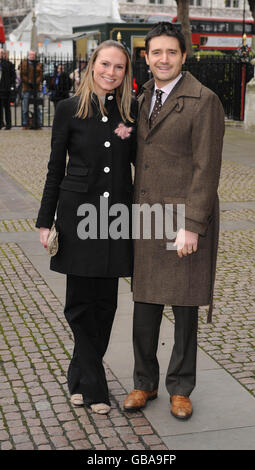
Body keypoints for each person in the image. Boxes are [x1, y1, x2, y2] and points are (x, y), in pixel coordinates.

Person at [124, 22, 225, 420]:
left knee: (184, 307)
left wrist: (193, 224)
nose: (162, 59)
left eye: (171, 52)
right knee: (144, 304)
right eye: (156, 53)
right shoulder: (144, 95)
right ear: (146, 57)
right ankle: (143, 381)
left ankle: (181, 387)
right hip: (147, 217)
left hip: (182, 219)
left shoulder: (204, 100)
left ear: (184, 56)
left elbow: (207, 167)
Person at [36, 40, 137, 414]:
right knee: (79, 304)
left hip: (114, 219)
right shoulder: (67, 110)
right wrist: (45, 221)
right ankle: (94, 388)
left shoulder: (130, 112)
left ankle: (79, 377)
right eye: (105, 64)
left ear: (126, 73)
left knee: (106, 304)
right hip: (77, 216)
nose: (110, 73)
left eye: (119, 67)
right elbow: (54, 169)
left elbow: (139, 165)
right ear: (92, 64)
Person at [20, 50, 43, 129]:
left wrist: (35, 82)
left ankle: (39, 123)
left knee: (37, 107)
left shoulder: (38, 64)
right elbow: (22, 75)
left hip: (36, 88)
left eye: (33, 55)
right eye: (31, 55)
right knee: (25, 107)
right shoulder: (24, 63)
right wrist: (29, 81)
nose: (32, 56)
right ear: (28, 55)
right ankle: (25, 124)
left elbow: (40, 75)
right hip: (26, 88)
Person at [0, 49, 16, 130]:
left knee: (7, 107)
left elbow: (13, 77)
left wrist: (11, 87)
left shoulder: (8, 64)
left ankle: (8, 124)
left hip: (6, 89)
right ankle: (1, 123)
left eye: (1, 53)